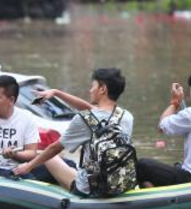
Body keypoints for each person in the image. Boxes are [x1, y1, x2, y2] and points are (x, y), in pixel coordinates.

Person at [13, 68, 134, 197]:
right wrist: (56, 93)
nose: (90, 90)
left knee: (51, 157)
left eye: (93, 86)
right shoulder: (126, 116)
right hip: (118, 182)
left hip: (88, 189)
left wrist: (28, 167)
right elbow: (95, 112)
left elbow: (55, 148)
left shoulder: (83, 120)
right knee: (73, 167)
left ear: (102, 89)